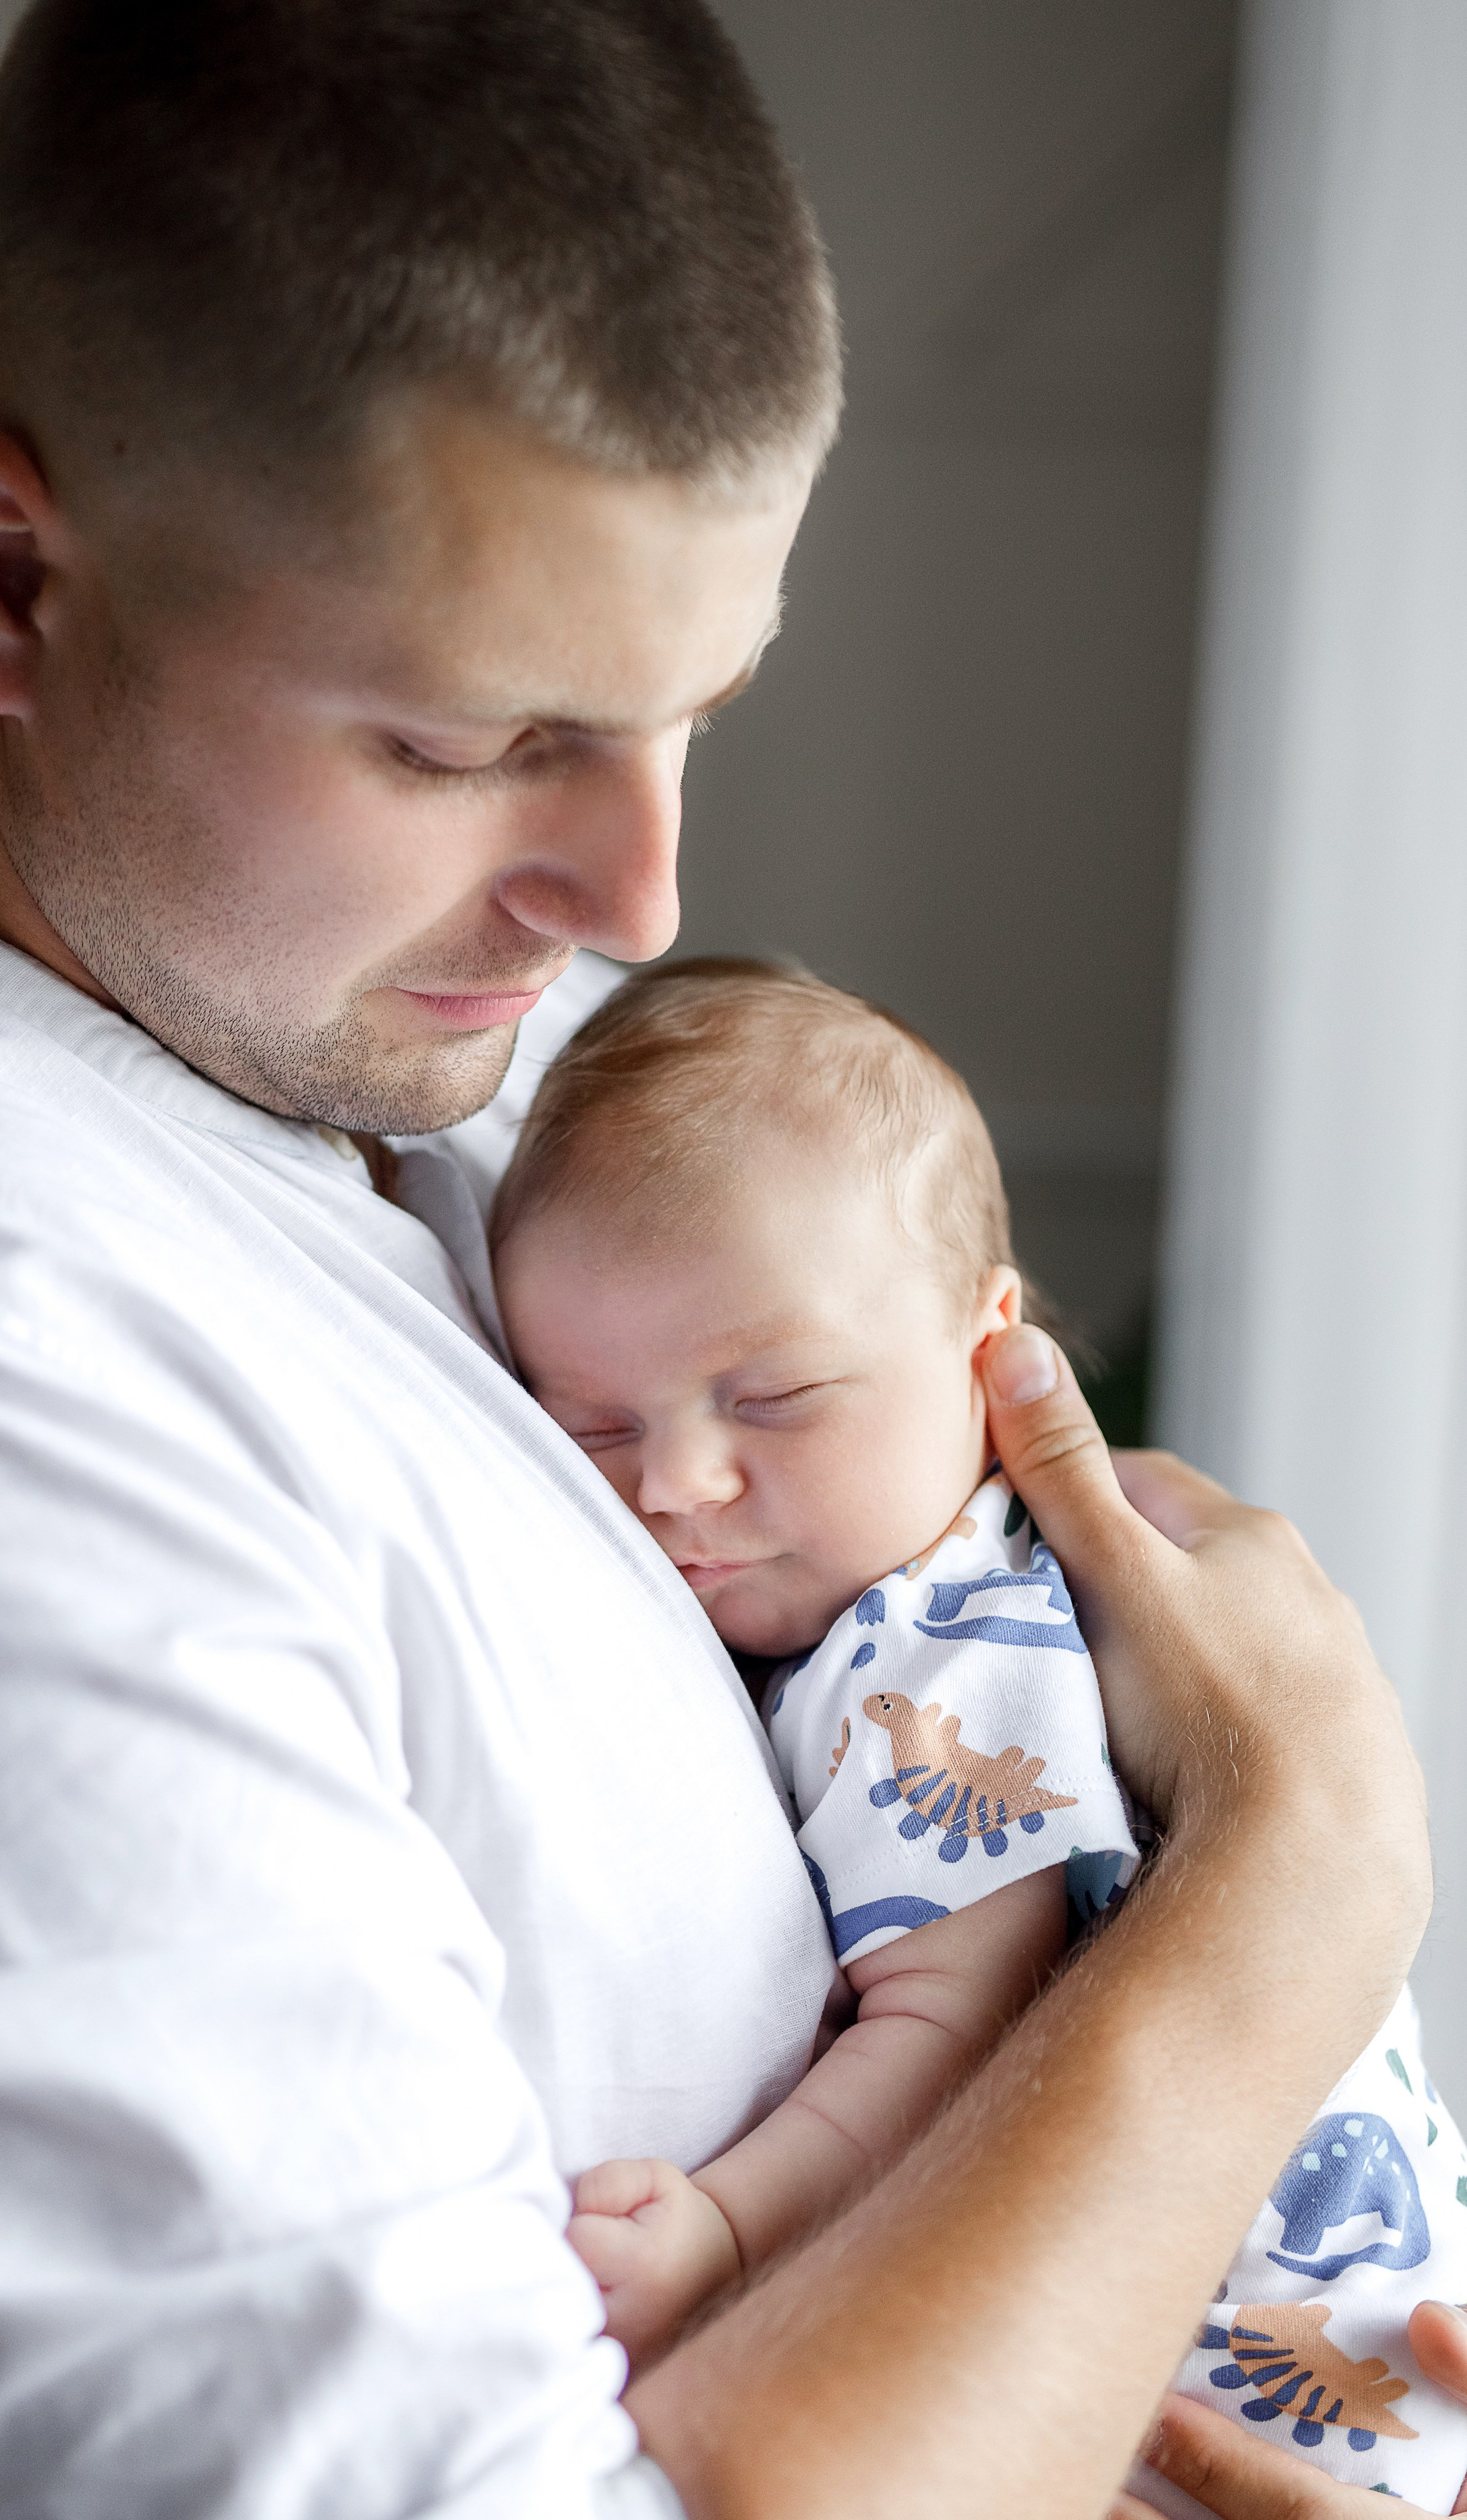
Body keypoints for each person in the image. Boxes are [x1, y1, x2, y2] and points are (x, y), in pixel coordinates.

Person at [0, 0, 1458, 2516]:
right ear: (7, 587)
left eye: (687, 719)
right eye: (474, 742)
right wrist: (1285, 1902)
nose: (639, 897)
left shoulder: (448, 1060)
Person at [491, 957, 1467, 2514]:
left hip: (1270, 2391)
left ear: (986, 1349)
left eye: (777, 1395)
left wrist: (728, 2230)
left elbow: (953, 2041)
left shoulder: (947, 1641)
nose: (673, 1481)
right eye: (589, 1419)